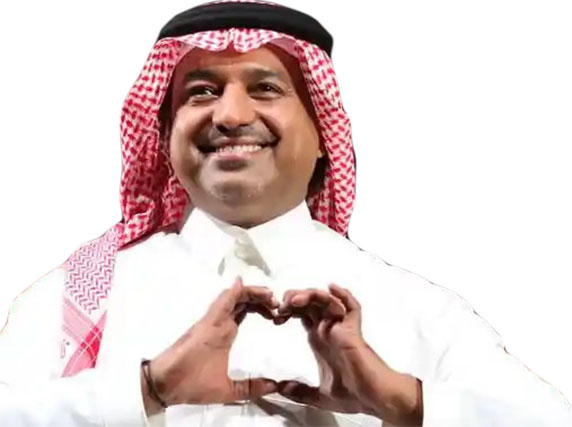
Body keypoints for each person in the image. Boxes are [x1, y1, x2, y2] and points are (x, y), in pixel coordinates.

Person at [0, 1, 571, 426]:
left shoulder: (417, 310)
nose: (230, 115)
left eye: (266, 88)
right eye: (201, 92)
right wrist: (146, 391)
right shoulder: (80, 299)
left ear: (323, 132)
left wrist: (403, 401)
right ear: (165, 136)